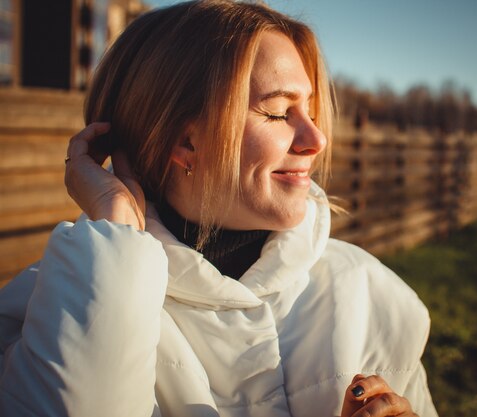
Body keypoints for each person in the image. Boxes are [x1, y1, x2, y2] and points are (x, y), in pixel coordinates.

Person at [0, 1, 437, 416]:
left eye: (310, 109)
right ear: (186, 141)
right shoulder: (53, 307)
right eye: (279, 111)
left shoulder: (369, 291)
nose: (316, 139)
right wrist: (115, 223)